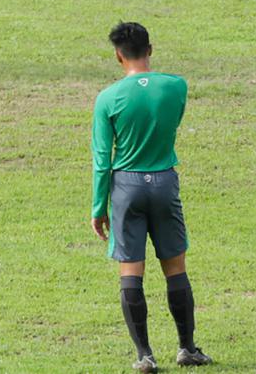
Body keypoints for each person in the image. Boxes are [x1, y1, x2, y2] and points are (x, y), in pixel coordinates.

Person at [90, 23, 212, 372]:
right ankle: (187, 348)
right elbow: (172, 123)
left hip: (126, 187)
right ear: (151, 49)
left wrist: (99, 208)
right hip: (164, 182)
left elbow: (102, 160)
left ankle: (144, 355)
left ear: (118, 55)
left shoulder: (108, 99)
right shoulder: (176, 86)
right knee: (175, 267)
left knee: (131, 270)